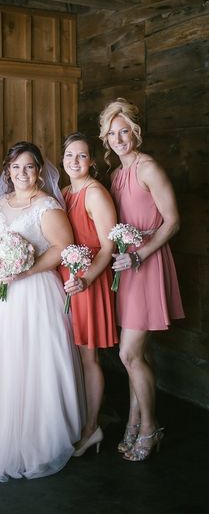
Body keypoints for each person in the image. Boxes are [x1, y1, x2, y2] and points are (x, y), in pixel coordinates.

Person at [0, 141, 85, 482]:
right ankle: (0, 436)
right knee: (4, 360)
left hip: (36, 291)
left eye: (28, 166)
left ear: (39, 170)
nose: (22, 172)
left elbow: (62, 248)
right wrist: (0, 264)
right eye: (15, 167)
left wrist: (25, 270)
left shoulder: (47, 206)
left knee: (35, 361)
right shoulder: (1, 203)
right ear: (7, 172)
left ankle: (39, 438)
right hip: (3, 297)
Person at [99, 97, 184, 462]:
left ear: (135, 132)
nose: (119, 139)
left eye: (124, 132)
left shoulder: (148, 167)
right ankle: (134, 422)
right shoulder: (116, 175)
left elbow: (173, 221)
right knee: (140, 353)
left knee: (128, 353)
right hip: (125, 265)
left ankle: (150, 427)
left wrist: (140, 254)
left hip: (147, 263)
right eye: (112, 134)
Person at [58, 132, 118, 457]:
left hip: (88, 282)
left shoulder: (94, 193)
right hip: (67, 281)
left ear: (91, 161)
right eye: (69, 155)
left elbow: (108, 247)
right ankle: (80, 417)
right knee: (71, 354)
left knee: (88, 356)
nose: (75, 161)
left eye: (82, 156)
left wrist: (86, 279)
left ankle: (92, 427)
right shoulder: (66, 192)